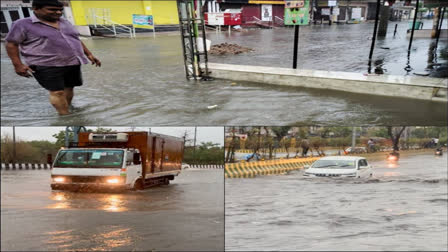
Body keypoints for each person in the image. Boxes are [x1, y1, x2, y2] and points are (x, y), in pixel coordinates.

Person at [4, 0, 101, 115]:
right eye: (52, 9)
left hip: (72, 61)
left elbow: (74, 39)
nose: (58, 12)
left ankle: (68, 108)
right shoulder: (22, 24)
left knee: (69, 88)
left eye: (60, 10)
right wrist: (18, 65)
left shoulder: (65, 22)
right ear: (35, 8)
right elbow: (11, 44)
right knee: (57, 92)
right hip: (45, 64)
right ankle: (65, 117)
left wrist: (89, 54)